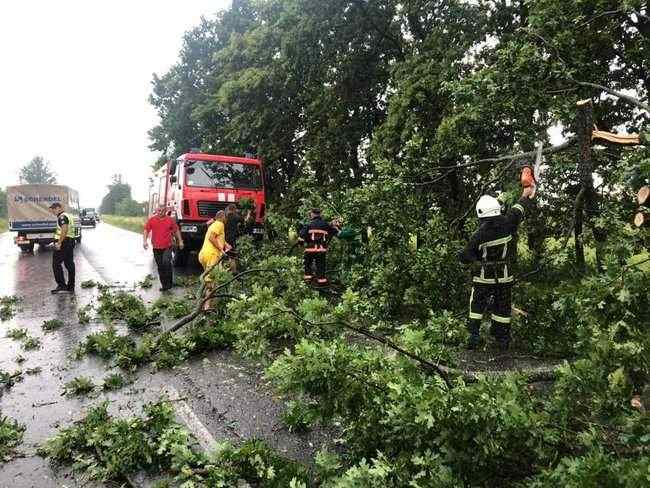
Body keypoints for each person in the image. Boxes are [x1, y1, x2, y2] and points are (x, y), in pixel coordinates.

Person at [458, 186, 535, 350]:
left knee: (476, 307)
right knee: (502, 308)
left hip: (483, 278)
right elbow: (519, 208)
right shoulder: (508, 222)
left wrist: (471, 261)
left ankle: (473, 337)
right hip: (505, 278)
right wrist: (526, 193)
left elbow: (464, 257)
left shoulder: (478, 235)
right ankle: (502, 340)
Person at [143, 205, 184, 292]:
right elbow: (146, 230)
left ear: (165, 211)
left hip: (167, 246)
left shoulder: (170, 220)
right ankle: (164, 285)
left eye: (162, 210)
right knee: (160, 266)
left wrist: (180, 241)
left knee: (166, 262)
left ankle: (169, 283)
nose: (160, 212)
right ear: (156, 211)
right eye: (159, 210)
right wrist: (145, 241)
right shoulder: (152, 220)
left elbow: (176, 230)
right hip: (156, 247)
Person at [299, 208, 340, 286]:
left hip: (310, 249)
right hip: (321, 250)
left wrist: (301, 245)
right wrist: (336, 225)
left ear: (313, 214)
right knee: (321, 266)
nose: (310, 215)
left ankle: (308, 282)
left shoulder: (308, 225)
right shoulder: (325, 224)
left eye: (310, 214)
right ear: (320, 214)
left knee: (308, 265)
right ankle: (321, 283)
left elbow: (301, 237)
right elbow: (335, 232)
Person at [198, 210, 230, 309]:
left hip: (204, 254)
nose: (226, 219)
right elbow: (212, 238)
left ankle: (206, 301)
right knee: (212, 282)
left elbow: (217, 237)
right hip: (212, 255)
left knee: (210, 280)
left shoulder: (213, 225)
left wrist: (226, 244)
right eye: (226, 217)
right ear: (222, 217)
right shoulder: (220, 224)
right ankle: (207, 306)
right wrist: (221, 250)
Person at [49, 202, 77, 294]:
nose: (53, 211)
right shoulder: (68, 216)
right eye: (52, 209)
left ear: (59, 208)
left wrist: (59, 243)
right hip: (70, 241)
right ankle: (71, 286)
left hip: (64, 242)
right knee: (69, 264)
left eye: (54, 209)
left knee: (56, 263)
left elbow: (64, 229)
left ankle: (62, 286)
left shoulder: (62, 217)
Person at [224, 204, 241, 273]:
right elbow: (244, 221)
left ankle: (227, 270)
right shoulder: (236, 217)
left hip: (225, 239)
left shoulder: (225, 217)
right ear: (234, 209)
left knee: (227, 255)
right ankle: (234, 272)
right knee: (232, 257)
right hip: (232, 239)